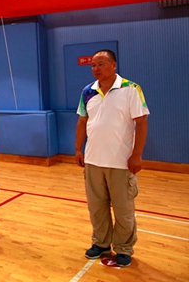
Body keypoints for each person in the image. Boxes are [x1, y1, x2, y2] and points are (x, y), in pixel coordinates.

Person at [75, 50, 149, 268]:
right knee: (96, 208)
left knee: (123, 210)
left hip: (121, 163)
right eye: (93, 65)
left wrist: (136, 155)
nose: (96, 68)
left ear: (114, 65)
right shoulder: (88, 91)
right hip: (93, 161)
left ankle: (124, 248)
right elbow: (82, 122)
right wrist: (78, 149)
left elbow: (141, 123)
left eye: (101, 64)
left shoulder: (131, 89)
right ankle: (101, 243)